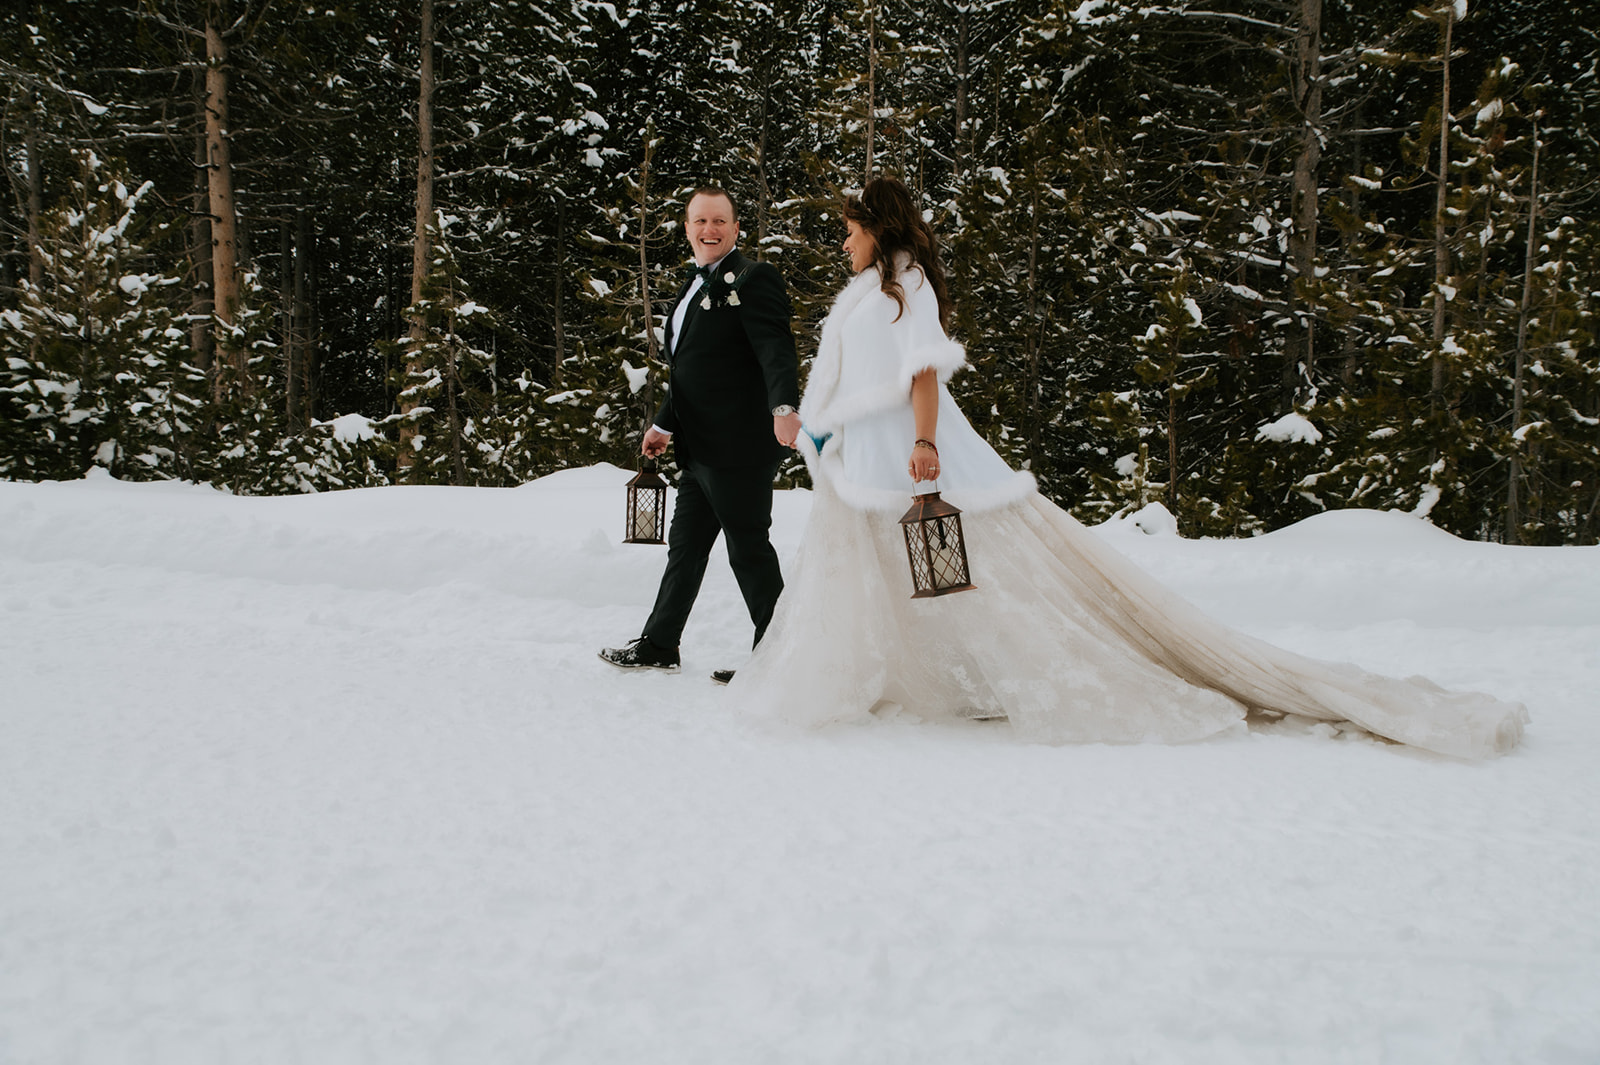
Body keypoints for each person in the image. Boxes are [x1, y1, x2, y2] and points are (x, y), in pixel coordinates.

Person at [729, 176, 1528, 759]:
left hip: (910, 456)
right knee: (877, 577)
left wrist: (928, 446)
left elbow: (924, 373)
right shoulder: (868, 286)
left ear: (878, 226)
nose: (842, 241)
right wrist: (816, 432)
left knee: (992, 573)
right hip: (860, 464)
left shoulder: (906, 286)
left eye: (848, 228)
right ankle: (883, 675)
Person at [600, 187, 801, 680]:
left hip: (739, 448)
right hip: (697, 447)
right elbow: (691, 371)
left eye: (719, 221)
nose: (709, 230)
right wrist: (664, 424)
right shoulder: (690, 286)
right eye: (699, 220)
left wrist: (783, 406)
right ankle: (659, 644)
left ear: (736, 228)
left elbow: (776, 350)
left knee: (748, 550)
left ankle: (778, 662)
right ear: (686, 227)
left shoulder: (755, 279)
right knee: (685, 548)